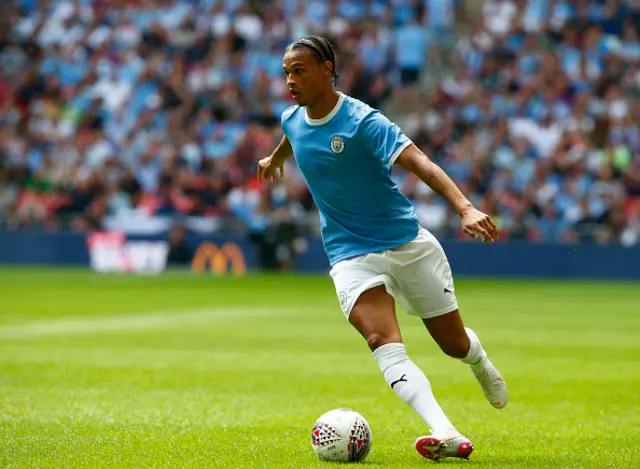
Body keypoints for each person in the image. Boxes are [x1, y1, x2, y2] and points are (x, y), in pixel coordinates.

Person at [258, 35, 507, 461]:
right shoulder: (291, 119)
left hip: (406, 243)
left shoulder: (363, 121)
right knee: (381, 338)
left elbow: (422, 164)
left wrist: (465, 208)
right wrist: (274, 160)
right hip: (349, 253)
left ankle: (479, 362)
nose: (290, 80)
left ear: (327, 69)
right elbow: (291, 136)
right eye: (286, 72)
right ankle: (444, 431)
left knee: (453, 345)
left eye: (299, 70)